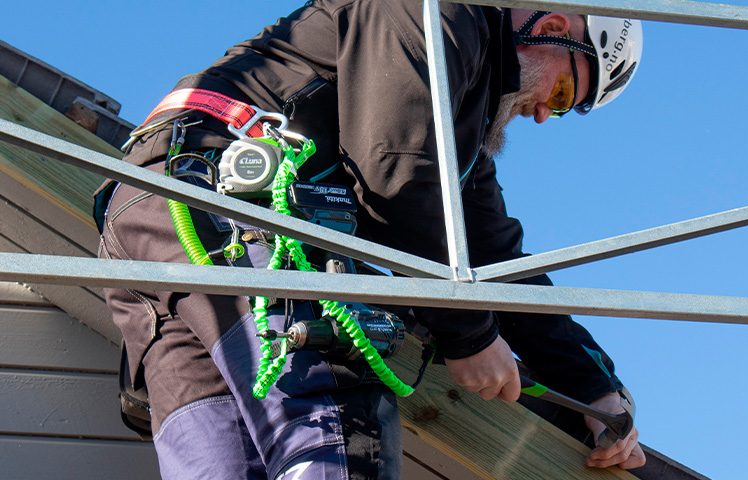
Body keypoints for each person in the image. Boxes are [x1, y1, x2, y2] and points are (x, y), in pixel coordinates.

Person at [94, 1, 646, 478]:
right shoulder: (441, 14)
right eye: (568, 89)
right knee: (336, 433)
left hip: (158, 215)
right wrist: (469, 336)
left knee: (230, 460)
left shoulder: (460, 118)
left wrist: (596, 388)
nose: (548, 113)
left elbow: (494, 256)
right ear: (550, 25)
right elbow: (396, 176)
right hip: (228, 200)